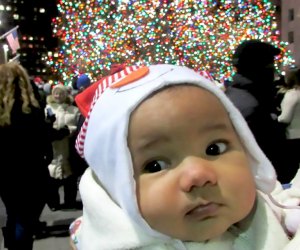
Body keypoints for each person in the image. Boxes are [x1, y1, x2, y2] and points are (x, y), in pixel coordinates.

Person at [70, 64, 300, 249]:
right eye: (155, 165)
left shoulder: (276, 211)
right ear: (114, 194)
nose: (198, 175)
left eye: (214, 149)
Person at [0, 62, 53, 249]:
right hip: (32, 170)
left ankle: (13, 244)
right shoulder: (31, 107)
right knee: (25, 219)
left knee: (13, 213)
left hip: (5, 173)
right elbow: (43, 139)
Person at [225, 39, 290, 183]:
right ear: (257, 69)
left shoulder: (239, 95)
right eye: (270, 65)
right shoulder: (251, 106)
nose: (273, 70)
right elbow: (265, 155)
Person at [45, 84, 80, 210]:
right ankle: (53, 203)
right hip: (53, 146)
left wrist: (70, 131)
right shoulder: (48, 108)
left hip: (68, 145)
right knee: (52, 176)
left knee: (70, 176)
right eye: (56, 93)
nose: (58, 96)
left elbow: (76, 125)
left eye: (61, 93)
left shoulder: (73, 110)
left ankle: (69, 201)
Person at [278, 68, 300, 182]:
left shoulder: (292, 94)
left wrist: (275, 117)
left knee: (292, 170)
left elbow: (285, 118)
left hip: (292, 136)